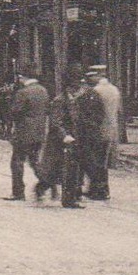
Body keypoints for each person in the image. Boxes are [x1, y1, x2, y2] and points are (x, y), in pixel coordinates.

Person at [46, 66, 87, 208]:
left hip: (77, 138)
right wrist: (65, 135)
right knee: (67, 168)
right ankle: (68, 199)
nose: (79, 90)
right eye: (76, 87)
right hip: (65, 140)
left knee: (75, 167)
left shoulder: (77, 101)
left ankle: (74, 194)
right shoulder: (60, 100)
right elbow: (56, 122)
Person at [6, 72, 50, 201]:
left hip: (23, 133)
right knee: (35, 161)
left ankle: (18, 192)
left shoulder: (23, 92)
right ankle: (47, 181)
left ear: (23, 78)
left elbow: (15, 112)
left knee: (17, 162)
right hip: (39, 132)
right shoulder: (43, 91)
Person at [77, 66, 114, 200]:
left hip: (95, 132)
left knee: (92, 161)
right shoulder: (114, 90)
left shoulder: (94, 92)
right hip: (109, 130)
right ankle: (101, 189)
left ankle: (98, 189)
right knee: (101, 162)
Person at [88, 65, 122, 170]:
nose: (90, 79)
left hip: (98, 126)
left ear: (98, 76)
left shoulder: (95, 91)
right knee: (109, 151)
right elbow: (119, 109)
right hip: (112, 125)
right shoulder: (115, 90)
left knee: (98, 158)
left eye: (92, 76)